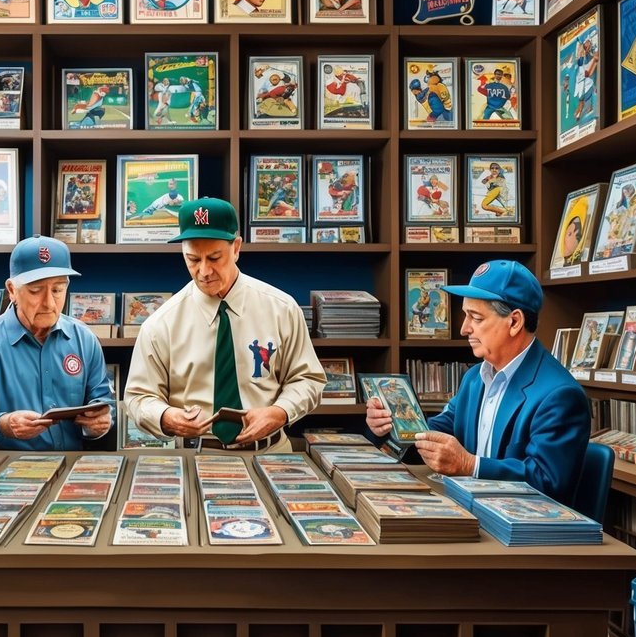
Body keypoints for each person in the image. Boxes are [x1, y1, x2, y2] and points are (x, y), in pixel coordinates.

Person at [365, 260, 590, 504]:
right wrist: (390, 428)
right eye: (465, 316)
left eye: (476, 318)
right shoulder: (474, 378)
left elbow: (549, 484)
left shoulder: (560, 395)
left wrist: (469, 465)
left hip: (521, 533)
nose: (464, 329)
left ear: (514, 322)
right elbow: (433, 440)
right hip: (472, 512)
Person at [123, 198, 324, 451]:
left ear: (236, 248)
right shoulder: (160, 324)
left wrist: (280, 412)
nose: (204, 271)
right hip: (193, 457)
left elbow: (307, 378)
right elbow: (137, 398)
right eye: (193, 260)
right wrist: (165, 417)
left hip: (270, 454)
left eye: (215, 257)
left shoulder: (281, 308)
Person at [0, 236, 114, 450]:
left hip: (74, 471)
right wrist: (2, 424)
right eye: (36, 290)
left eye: (58, 289)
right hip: (7, 471)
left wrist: (100, 422)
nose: (49, 303)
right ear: (12, 290)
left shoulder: (85, 339)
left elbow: (103, 402)